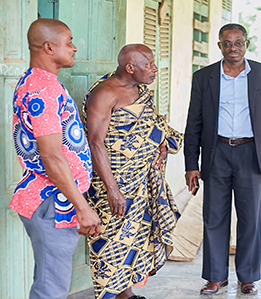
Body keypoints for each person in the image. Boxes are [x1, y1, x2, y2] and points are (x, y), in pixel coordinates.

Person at [184, 23, 261, 295]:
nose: (233, 48)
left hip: (250, 153)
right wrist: (191, 164)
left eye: (238, 42)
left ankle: (247, 276)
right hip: (216, 153)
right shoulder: (204, 77)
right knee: (214, 216)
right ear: (219, 46)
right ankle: (216, 277)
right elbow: (193, 122)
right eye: (227, 43)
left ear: (247, 44)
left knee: (251, 217)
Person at [83, 44, 183, 299]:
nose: (154, 69)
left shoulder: (139, 91)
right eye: (148, 64)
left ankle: (125, 294)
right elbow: (95, 142)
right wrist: (112, 189)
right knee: (109, 245)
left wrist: (160, 144)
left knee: (135, 239)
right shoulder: (104, 94)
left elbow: (150, 125)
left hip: (141, 180)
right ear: (130, 68)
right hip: (114, 182)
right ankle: (108, 294)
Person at [11, 19, 101, 299]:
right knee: (51, 290)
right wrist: (82, 207)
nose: (75, 48)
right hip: (53, 201)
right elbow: (51, 156)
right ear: (49, 47)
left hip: (50, 198)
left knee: (48, 282)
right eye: (69, 42)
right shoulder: (43, 90)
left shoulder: (40, 82)